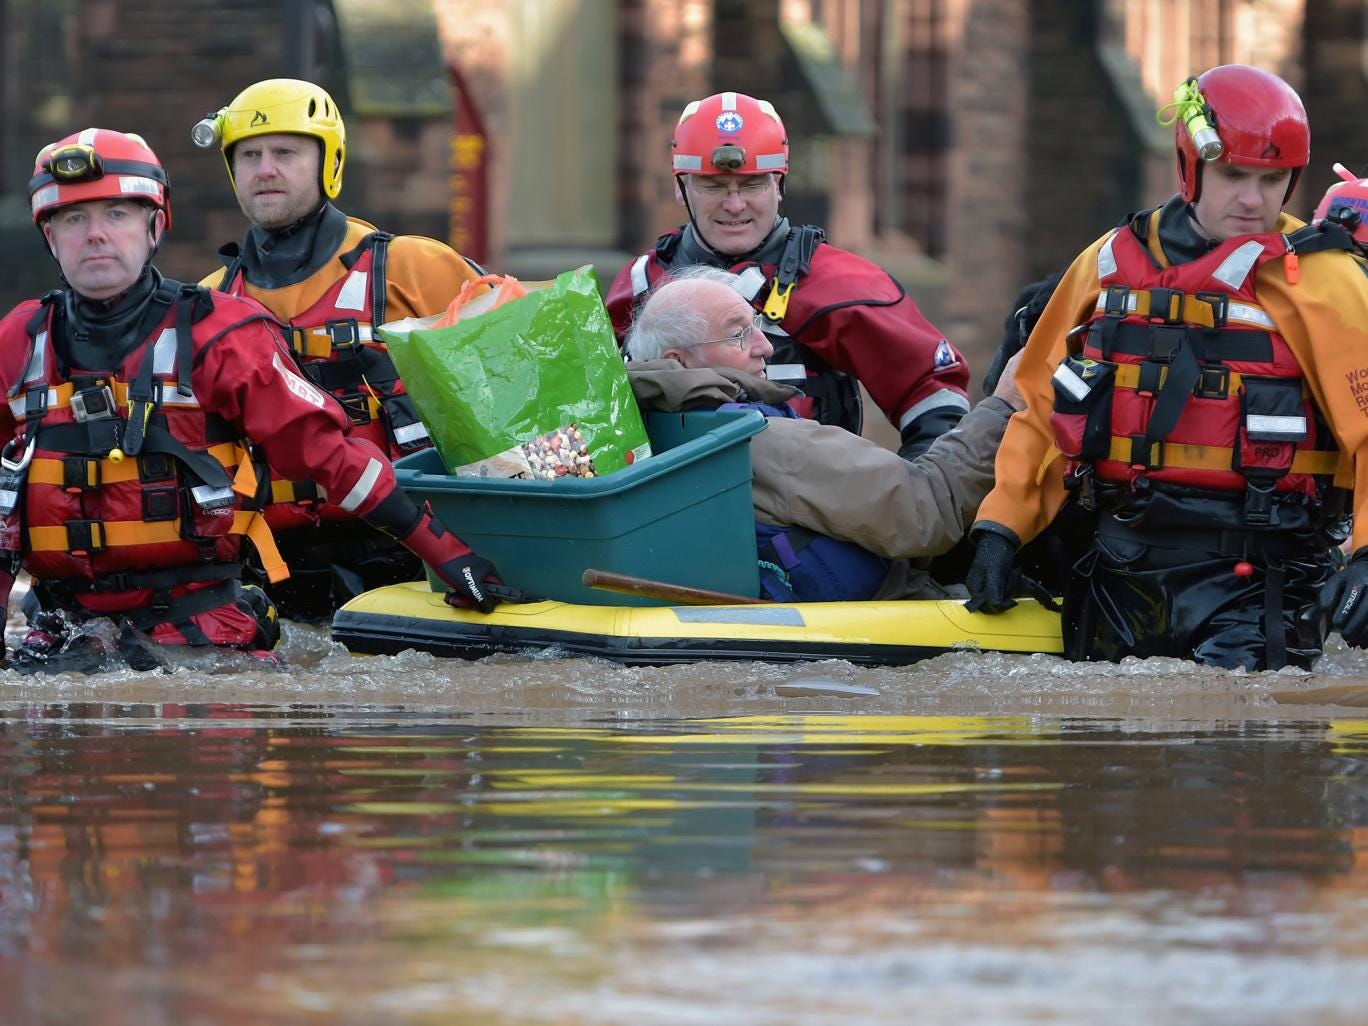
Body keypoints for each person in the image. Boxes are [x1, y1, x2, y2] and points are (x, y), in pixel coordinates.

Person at [0, 127, 511, 672]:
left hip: (200, 629)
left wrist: (450, 555)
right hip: (60, 629)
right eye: (73, 219)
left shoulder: (219, 332)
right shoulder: (17, 341)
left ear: (154, 226)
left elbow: (331, 457)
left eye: (117, 215)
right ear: (50, 237)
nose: (95, 235)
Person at [962, 65, 1368, 671]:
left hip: (1261, 576)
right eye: (1233, 175)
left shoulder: (1324, 280)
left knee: (1230, 756)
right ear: (1190, 166)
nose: (1253, 199)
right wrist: (1001, 526)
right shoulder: (1106, 263)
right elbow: (1041, 405)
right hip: (1119, 564)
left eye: (1272, 178)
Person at [193, 79, 485, 622]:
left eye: (285, 152)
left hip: (414, 554)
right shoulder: (209, 304)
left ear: (329, 160)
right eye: (249, 155)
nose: (265, 169)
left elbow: (518, 394)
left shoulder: (414, 269)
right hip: (275, 571)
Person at [605, 91, 970, 458]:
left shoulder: (840, 282)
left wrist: (913, 494)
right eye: (713, 186)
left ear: (779, 186)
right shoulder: (641, 283)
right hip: (670, 508)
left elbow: (934, 393)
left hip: (806, 510)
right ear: (681, 188)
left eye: (752, 185)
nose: (734, 205)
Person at [624, 266, 1024, 601]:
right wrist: (1004, 404)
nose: (765, 346)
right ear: (680, 362)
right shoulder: (762, 442)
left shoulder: (641, 432)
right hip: (883, 618)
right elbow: (927, 508)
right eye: (739, 334)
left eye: (757, 324)